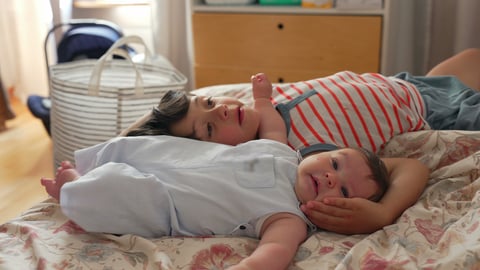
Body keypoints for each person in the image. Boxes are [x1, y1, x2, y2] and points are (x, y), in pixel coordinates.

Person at [122, 48, 480, 234]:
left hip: (404, 82)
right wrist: (383, 212)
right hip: (438, 111)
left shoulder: (262, 105)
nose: (222, 112)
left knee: (470, 58)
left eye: (211, 104)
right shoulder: (300, 158)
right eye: (210, 130)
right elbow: (410, 167)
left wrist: (135, 134)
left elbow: (171, 108)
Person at [40, 134, 429, 270]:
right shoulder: (283, 150)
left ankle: (74, 187)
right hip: (174, 158)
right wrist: (262, 100)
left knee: (120, 194)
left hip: (167, 201)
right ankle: (88, 165)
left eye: (342, 191)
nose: (331, 176)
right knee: (137, 146)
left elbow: (275, 251)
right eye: (334, 162)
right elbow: (271, 123)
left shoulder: (289, 217)